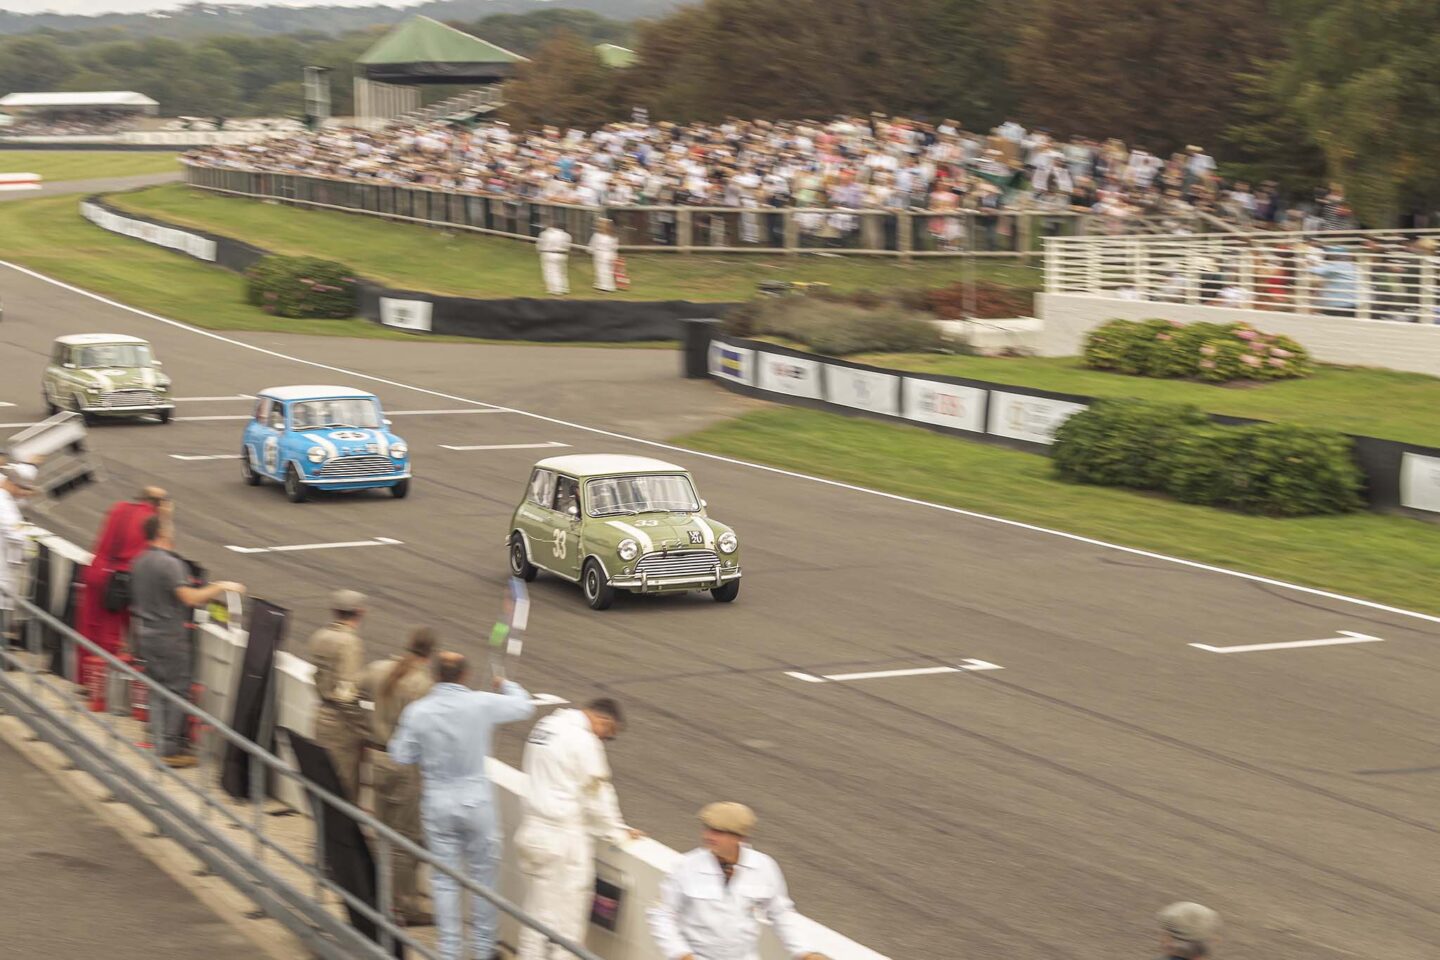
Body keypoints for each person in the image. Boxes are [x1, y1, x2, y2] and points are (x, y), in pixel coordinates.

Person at [389, 652, 535, 960]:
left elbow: (400, 755)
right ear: (465, 676)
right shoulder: (480, 702)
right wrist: (507, 684)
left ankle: (449, 953)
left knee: (444, 882)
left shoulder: (418, 712)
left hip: (438, 802)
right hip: (476, 802)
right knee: (484, 880)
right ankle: (482, 952)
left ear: (435, 675)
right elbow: (525, 706)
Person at [515, 698, 641, 960]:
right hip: (562, 839)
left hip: (531, 830)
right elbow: (598, 795)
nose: (605, 741)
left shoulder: (546, 725)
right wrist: (617, 831)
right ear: (603, 721)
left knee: (535, 915)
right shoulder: (584, 741)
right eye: (609, 735)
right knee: (567, 921)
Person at [130, 514, 244, 767]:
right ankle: (169, 748)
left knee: (156, 690)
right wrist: (222, 586)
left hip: (145, 633)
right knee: (176, 690)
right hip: (169, 636)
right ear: (161, 532)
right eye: (169, 526)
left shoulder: (139, 561)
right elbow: (190, 598)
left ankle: (159, 742)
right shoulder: (170, 564)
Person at [648, 802, 827, 960]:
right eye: (707, 828)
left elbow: (781, 913)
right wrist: (681, 954)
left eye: (717, 832)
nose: (708, 836)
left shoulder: (764, 867)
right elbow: (661, 914)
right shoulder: (685, 866)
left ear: (740, 837)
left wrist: (804, 952)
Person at [359, 626, 438, 927]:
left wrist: (362, 726)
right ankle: (404, 907)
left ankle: (381, 895)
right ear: (429, 655)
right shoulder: (424, 685)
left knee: (383, 833)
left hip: (378, 758)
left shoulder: (381, 669)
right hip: (405, 766)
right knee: (407, 839)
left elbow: (351, 689)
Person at [77, 487, 167, 660]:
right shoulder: (152, 521)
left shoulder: (119, 508)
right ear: (160, 505)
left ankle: (85, 680)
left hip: (96, 571)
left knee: (88, 629)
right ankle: (104, 684)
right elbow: (161, 550)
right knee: (112, 637)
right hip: (120, 582)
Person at [308, 589, 370, 801]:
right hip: (341, 724)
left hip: (321, 714)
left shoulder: (320, 636)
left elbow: (315, 676)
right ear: (360, 613)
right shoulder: (349, 643)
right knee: (344, 785)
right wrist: (363, 727)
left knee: (323, 779)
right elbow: (346, 692)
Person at [0, 463, 37, 644]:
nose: (23, 494)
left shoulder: (7, 501)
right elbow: (16, 533)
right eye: (22, 489)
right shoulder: (3, 503)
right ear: (13, 484)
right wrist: (29, 543)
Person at [537, 222, 572, 296]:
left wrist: (540, 251)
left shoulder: (545, 234)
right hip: (563, 254)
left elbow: (540, 244)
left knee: (551, 272)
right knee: (562, 272)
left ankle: (556, 289)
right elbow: (567, 246)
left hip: (549, 253)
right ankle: (564, 288)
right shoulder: (567, 236)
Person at [588, 219, 620, 292]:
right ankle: (607, 285)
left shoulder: (598, 235)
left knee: (603, 270)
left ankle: (604, 286)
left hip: (602, 253)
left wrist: (591, 250)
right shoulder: (612, 236)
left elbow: (593, 245)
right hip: (607, 254)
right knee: (605, 270)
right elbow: (615, 247)